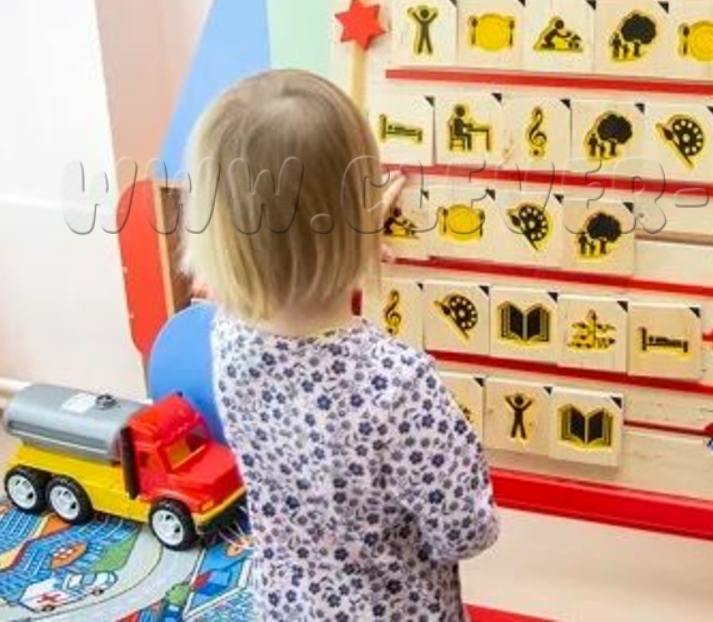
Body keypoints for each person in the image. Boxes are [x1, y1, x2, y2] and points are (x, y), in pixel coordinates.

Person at [181, 69, 499, 620]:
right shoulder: (398, 385)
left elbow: (284, 247)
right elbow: (465, 531)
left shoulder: (228, 334)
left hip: (288, 604)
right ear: (358, 218)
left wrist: (352, 231)